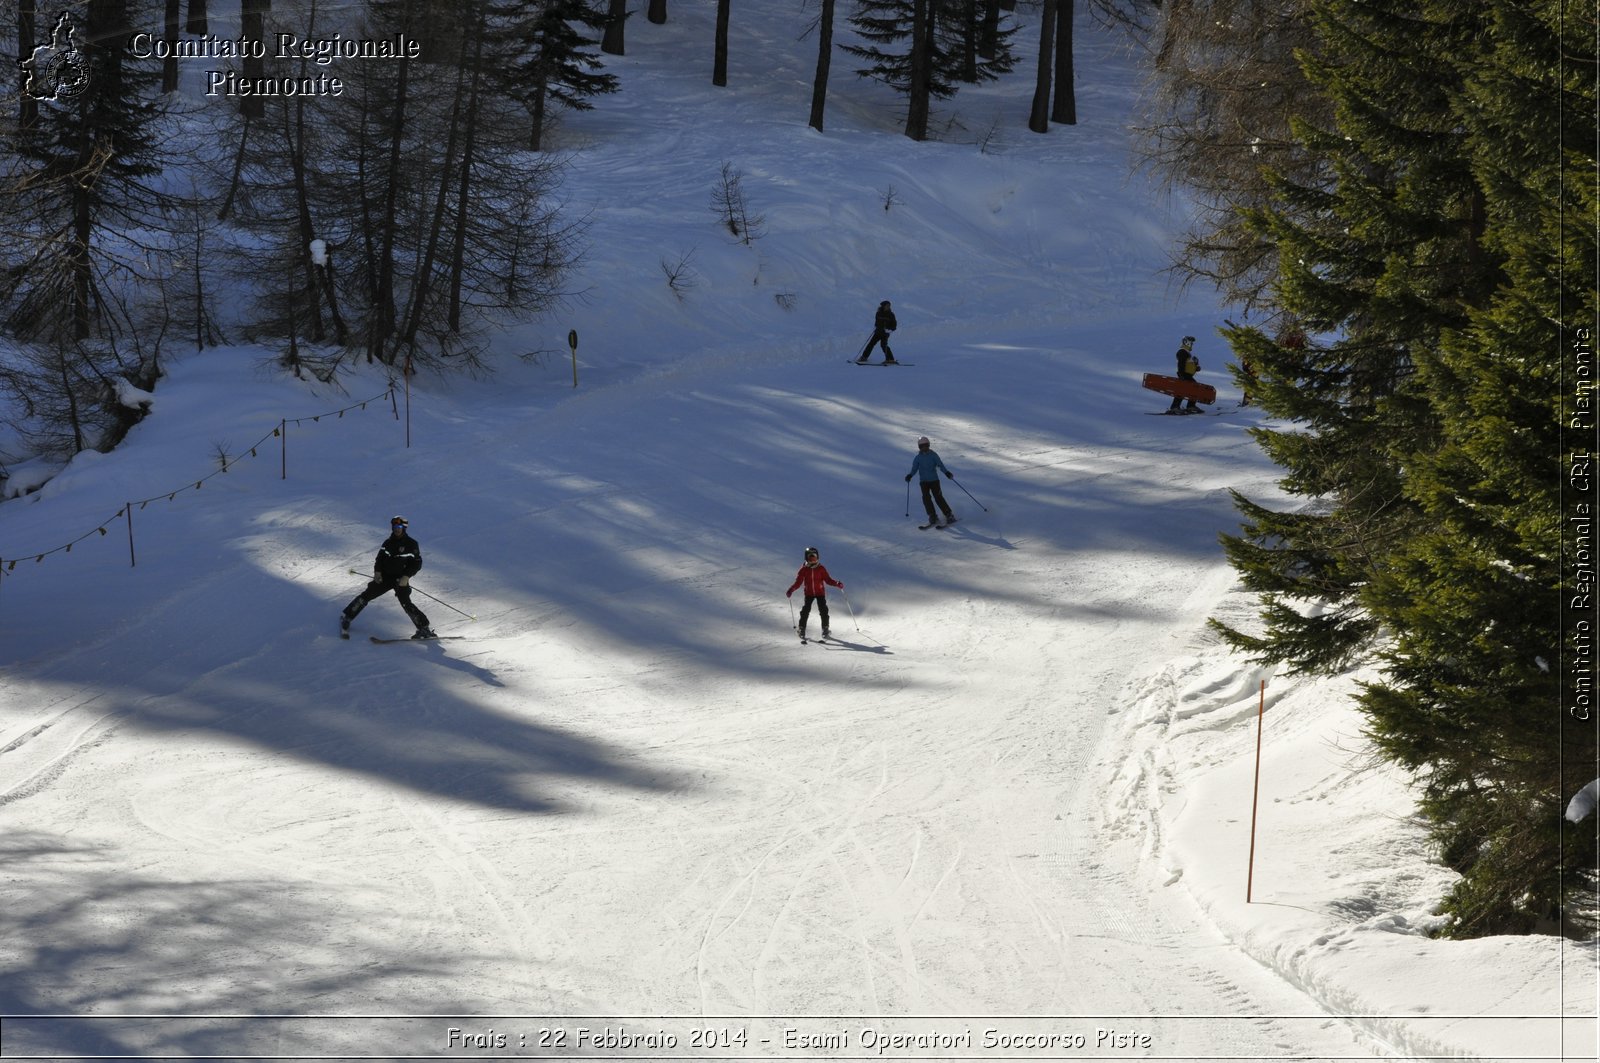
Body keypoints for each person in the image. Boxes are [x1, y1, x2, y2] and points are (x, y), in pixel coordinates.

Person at [340, 515, 436, 639]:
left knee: (406, 603)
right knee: (367, 595)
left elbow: (417, 563)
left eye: (400, 527)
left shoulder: (411, 544)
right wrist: (377, 572)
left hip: (400, 580)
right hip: (385, 577)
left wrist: (406, 576)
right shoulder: (387, 543)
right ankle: (348, 617)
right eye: (395, 526)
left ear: (404, 528)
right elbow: (379, 559)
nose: (397, 529)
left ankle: (424, 628)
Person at [786, 546, 844, 639]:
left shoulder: (821, 568)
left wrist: (837, 583)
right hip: (809, 593)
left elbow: (828, 580)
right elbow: (798, 582)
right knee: (805, 611)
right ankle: (802, 629)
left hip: (820, 593)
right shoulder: (803, 569)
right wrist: (791, 589)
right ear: (806, 558)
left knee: (823, 610)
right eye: (811, 557)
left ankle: (825, 629)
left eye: (815, 557)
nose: (813, 560)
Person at [905, 435, 957, 527]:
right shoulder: (918, 458)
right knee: (926, 498)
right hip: (923, 482)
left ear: (929, 445)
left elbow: (940, 465)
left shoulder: (933, 455)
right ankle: (932, 516)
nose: (924, 448)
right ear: (919, 447)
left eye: (926, 445)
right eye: (922, 446)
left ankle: (949, 514)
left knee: (938, 497)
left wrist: (946, 473)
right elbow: (914, 469)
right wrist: (910, 475)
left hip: (934, 480)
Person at [857, 300, 899, 364]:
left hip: (885, 333)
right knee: (870, 344)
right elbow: (877, 322)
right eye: (887, 305)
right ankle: (864, 357)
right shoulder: (878, 313)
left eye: (889, 306)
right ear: (883, 306)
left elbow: (894, 325)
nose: (888, 307)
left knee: (883, 345)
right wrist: (876, 327)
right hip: (878, 332)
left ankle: (890, 359)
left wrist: (889, 329)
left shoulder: (891, 314)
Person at [1168, 335, 1201, 414]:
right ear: (1187, 342)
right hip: (1184, 375)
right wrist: (1181, 375)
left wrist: (1195, 367)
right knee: (1186, 389)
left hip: (1186, 375)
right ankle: (1179, 407)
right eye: (1191, 343)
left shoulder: (1186, 353)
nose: (1192, 344)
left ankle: (1186, 406)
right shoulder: (1182, 352)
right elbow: (1181, 364)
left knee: (1189, 388)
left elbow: (1187, 365)